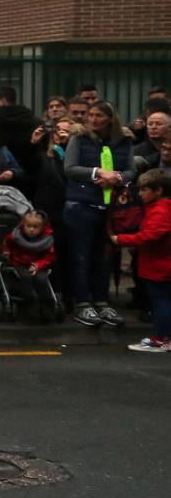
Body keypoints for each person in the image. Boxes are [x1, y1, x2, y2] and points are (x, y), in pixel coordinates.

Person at [64, 101, 135, 327]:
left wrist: (118, 178)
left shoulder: (124, 141)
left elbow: (131, 169)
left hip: (111, 207)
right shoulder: (79, 139)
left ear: (110, 119)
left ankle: (101, 301)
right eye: (91, 115)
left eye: (99, 116)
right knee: (82, 257)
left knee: (104, 258)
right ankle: (83, 303)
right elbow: (70, 168)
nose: (94, 119)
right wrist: (97, 172)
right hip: (82, 204)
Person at [111, 169, 171, 351]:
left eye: (144, 190)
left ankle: (162, 339)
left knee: (161, 301)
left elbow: (150, 236)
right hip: (160, 263)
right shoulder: (159, 208)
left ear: (158, 190)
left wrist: (120, 239)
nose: (140, 193)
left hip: (159, 266)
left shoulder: (161, 210)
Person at [2, 210, 59, 323]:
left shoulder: (46, 239)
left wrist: (38, 265)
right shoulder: (15, 236)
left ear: (42, 227)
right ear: (23, 224)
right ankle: (31, 304)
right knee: (25, 277)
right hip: (19, 263)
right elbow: (6, 245)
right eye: (29, 226)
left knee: (42, 279)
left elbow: (50, 256)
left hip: (38, 264)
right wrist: (6, 254)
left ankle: (47, 305)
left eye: (35, 227)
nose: (31, 229)